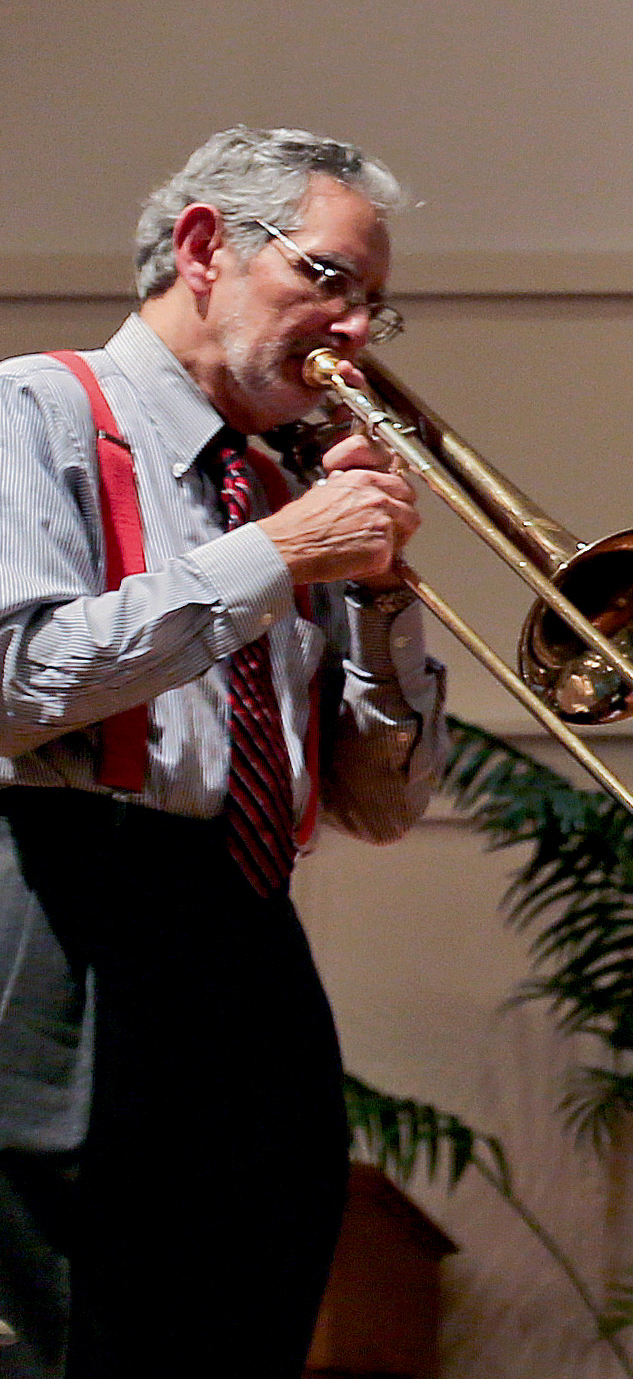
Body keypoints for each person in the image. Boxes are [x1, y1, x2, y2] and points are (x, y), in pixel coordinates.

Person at [0, 127, 442, 1378]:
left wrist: (377, 596)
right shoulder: (37, 406)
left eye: (375, 304)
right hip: (66, 902)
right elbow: (19, 681)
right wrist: (280, 557)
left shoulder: (271, 483)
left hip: (249, 927)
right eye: (329, 279)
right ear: (205, 247)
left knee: (250, 1305)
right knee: (70, 1329)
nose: (354, 327)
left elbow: (382, 804)